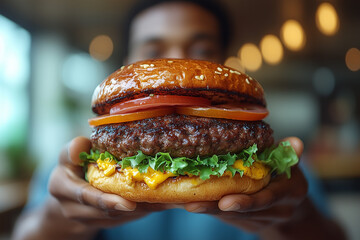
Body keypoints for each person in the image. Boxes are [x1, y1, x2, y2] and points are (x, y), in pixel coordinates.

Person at [12, 0, 346, 239]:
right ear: (127, 61)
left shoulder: (284, 178)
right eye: (153, 50)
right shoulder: (72, 165)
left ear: (226, 61)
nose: (177, 64)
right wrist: (60, 219)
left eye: (201, 51)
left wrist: (296, 218)